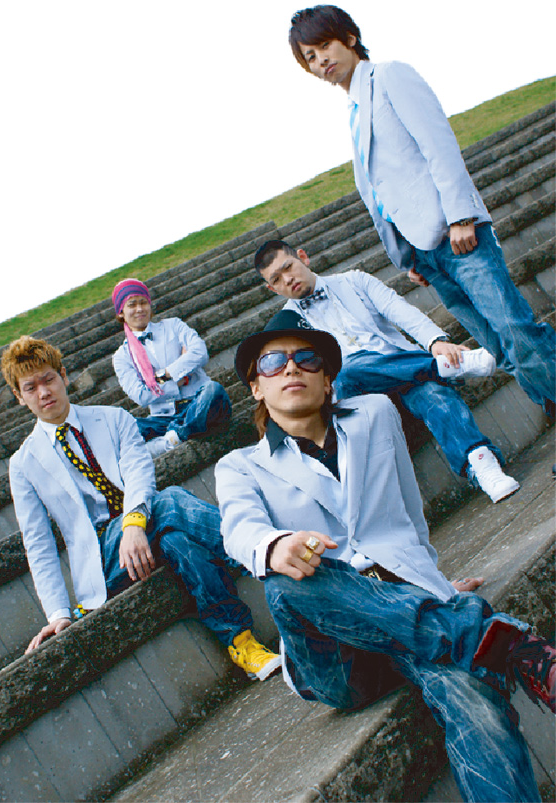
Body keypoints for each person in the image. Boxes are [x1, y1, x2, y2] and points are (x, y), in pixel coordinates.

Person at [214, 311, 555, 802]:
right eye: (273, 362)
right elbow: (238, 530)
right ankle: (491, 639)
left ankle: (468, 637)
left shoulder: (375, 413)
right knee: (285, 582)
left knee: (474, 699)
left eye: (307, 358)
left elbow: (409, 513)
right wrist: (273, 545)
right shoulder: (240, 466)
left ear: (328, 378)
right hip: (337, 656)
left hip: (405, 607)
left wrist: (432, 582)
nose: (291, 368)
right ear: (256, 388)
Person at [287, 5, 556, 419]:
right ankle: (549, 403)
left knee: (514, 327)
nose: (321, 60)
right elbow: (381, 192)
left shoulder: (389, 76)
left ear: (350, 39)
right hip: (425, 252)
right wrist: (408, 255)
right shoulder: (354, 114)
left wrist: (461, 217)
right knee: (495, 342)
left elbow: (437, 144)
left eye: (324, 46)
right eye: (310, 56)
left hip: (456, 234)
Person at [1, 335, 280, 681]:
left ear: (64, 375)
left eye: (48, 379)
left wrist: (134, 524)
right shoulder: (23, 463)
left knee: (179, 542)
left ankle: (242, 643)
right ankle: (267, 550)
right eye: (31, 388)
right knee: (170, 499)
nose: (43, 392)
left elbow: (139, 473)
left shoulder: (113, 418)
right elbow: (38, 543)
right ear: (19, 396)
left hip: (145, 526)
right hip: (104, 556)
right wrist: (58, 613)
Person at [256, 239, 519, 503]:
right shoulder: (286, 327)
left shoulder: (354, 281)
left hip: (402, 371)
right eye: (276, 279)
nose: (287, 279)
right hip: (356, 397)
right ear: (271, 288)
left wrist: (435, 342)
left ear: (303, 257)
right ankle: (441, 368)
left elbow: (399, 310)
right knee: (345, 371)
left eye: (288, 267)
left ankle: (482, 466)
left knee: (432, 393)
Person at [111, 278, 232, 457]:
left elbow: (199, 352)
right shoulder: (122, 356)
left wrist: (164, 375)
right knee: (126, 427)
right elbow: (140, 395)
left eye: (143, 302)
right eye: (132, 304)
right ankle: (181, 428)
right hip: (163, 418)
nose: (139, 309)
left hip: (198, 402)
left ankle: (174, 437)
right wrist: (178, 378)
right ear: (121, 312)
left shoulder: (173, 326)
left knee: (213, 390)